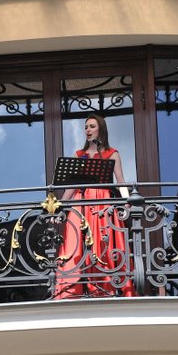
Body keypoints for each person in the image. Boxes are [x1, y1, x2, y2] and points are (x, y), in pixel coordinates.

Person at [54, 115, 134, 298]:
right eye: (86, 127)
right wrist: (61, 206)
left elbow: (120, 181)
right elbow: (71, 186)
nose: (88, 130)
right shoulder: (79, 154)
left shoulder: (112, 153)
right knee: (76, 243)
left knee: (103, 243)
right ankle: (74, 289)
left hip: (102, 203)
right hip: (81, 203)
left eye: (92, 126)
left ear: (101, 129)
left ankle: (104, 287)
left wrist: (127, 202)